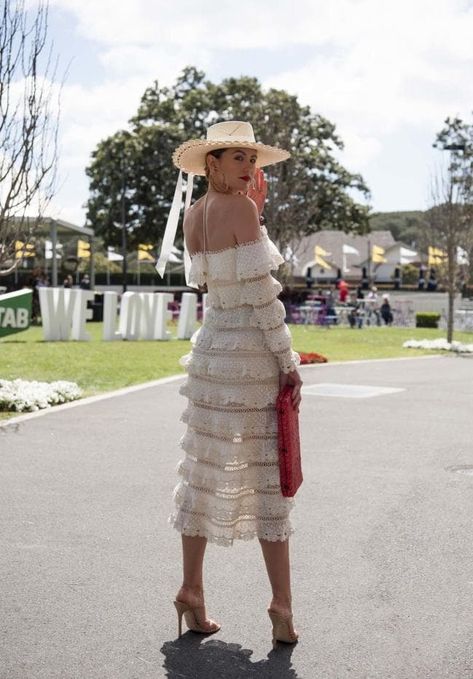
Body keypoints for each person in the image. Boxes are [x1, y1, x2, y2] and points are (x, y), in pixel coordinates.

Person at [163, 121, 302, 645]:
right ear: (212, 164)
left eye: (253, 159)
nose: (250, 168)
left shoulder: (195, 216)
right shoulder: (241, 208)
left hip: (209, 351)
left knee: (202, 473)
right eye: (239, 158)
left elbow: (215, 282)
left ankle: (191, 590)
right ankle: (281, 606)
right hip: (248, 354)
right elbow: (262, 298)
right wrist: (289, 363)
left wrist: (255, 214)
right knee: (269, 479)